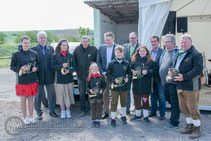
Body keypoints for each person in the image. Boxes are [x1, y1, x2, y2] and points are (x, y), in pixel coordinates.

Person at [173, 34, 203, 139]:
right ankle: (190, 126)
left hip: (191, 86)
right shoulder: (179, 54)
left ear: (190, 42)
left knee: (192, 108)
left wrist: (184, 77)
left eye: (185, 42)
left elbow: (198, 69)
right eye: (181, 42)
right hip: (180, 85)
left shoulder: (196, 54)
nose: (183, 44)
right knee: (184, 107)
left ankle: (197, 129)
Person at [10, 35, 39, 124]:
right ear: (21, 43)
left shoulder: (34, 53)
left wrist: (36, 68)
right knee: (23, 99)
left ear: (30, 43)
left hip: (33, 80)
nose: (26, 44)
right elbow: (12, 67)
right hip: (21, 81)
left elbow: (38, 64)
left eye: (28, 43)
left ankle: (31, 117)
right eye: (25, 43)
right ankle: (25, 117)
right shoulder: (16, 54)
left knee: (31, 99)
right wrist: (20, 69)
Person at [31, 31, 58, 120]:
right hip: (38, 76)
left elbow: (53, 62)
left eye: (44, 38)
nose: (43, 39)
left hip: (50, 75)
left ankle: (52, 110)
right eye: (41, 38)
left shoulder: (50, 48)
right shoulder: (33, 49)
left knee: (51, 94)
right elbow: (32, 63)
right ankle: (39, 112)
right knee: (38, 95)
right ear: (38, 39)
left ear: (46, 38)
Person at [130, 45, 158, 124]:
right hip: (136, 85)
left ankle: (146, 116)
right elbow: (130, 68)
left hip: (146, 86)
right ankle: (138, 115)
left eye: (143, 51)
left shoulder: (151, 61)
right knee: (137, 100)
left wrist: (148, 72)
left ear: (146, 52)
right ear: (138, 52)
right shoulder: (134, 61)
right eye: (140, 51)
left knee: (145, 101)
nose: (142, 52)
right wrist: (132, 71)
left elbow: (155, 70)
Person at [106, 45, 131, 127]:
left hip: (124, 87)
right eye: (118, 52)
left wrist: (128, 78)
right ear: (115, 53)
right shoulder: (111, 63)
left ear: (123, 53)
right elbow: (108, 74)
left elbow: (129, 73)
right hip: (115, 87)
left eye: (121, 52)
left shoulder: (126, 63)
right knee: (114, 102)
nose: (119, 54)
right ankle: (113, 118)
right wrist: (113, 80)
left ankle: (123, 116)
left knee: (124, 101)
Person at [73, 36, 98, 117]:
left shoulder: (94, 49)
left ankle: (90, 109)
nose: (85, 43)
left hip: (91, 76)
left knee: (91, 93)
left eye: (86, 41)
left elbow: (97, 61)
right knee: (82, 94)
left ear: (89, 41)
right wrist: (75, 71)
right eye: (83, 41)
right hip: (80, 76)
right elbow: (74, 62)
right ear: (81, 42)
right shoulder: (77, 49)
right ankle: (83, 110)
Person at [51, 39, 75, 119]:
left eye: (66, 45)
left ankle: (68, 111)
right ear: (60, 46)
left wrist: (69, 70)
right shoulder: (55, 56)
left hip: (69, 79)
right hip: (59, 80)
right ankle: (63, 111)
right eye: (63, 45)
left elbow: (74, 67)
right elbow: (52, 66)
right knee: (61, 96)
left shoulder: (70, 56)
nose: (65, 46)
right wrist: (62, 65)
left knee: (68, 95)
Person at [159, 34, 180, 127]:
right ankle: (173, 117)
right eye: (164, 42)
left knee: (174, 102)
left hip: (173, 83)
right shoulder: (164, 52)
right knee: (170, 101)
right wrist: (162, 80)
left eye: (167, 42)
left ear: (173, 42)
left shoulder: (177, 53)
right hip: (165, 82)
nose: (165, 44)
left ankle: (174, 122)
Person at [97, 31, 117, 119]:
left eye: (109, 40)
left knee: (114, 94)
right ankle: (106, 112)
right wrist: (102, 72)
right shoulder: (101, 48)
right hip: (104, 75)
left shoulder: (118, 47)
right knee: (105, 94)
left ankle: (114, 112)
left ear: (113, 39)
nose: (107, 41)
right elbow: (99, 61)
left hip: (114, 75)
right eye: (106, 40)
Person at [123, 32, 139, 115]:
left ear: (137, 38)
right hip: (127, 73)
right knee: (127, 91)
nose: (132, 39)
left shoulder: (140, 47)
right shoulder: (125, 46)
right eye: (130, 38)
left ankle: (137, 108)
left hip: (137, 73)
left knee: (136, 91)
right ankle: (127, 108)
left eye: (133, 38)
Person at [149, 36, 165, 118]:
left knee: (161, 96)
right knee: (152, 96)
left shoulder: (163, 52)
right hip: (151, 78)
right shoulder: (149, 52)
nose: (153, 43)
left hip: (159, 78)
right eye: (152, 41)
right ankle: (153, 112)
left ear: (158, 42)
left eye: (155, 41)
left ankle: (162, 114)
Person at [86, 63, 105, 128]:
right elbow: (87, 87)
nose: (94, 70)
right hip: (92, 97)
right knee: (93, 108)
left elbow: (104, 85)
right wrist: (89, 90)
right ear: (90, 70)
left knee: (99, 108)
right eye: (92, 69)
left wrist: (102, 89)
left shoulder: (101, 77)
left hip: (99, 96)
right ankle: (93, 120)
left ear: (97, 69)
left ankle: (98, 120)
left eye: (95, 69)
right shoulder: (89, 78)